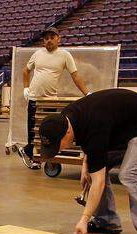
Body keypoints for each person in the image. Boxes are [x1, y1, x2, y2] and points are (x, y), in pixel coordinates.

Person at [37, 88, 137, 234]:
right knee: (95, 171)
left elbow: (99, 180)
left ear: (67, 133)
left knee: (131, 175)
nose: (58, 150)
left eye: (57, 145)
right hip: (129, 129)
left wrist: (84, 218)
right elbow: (90, 139)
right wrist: (86, 165)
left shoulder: (92, 124)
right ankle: (106, 220)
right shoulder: (66, 117)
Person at [19, 27, 89, 170]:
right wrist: (26, 88)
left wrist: (87, 94)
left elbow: (75, 75)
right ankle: (32, 155)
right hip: (34, 98)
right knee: (33, 130)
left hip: (51, 99)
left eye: (52, 37)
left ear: (58, 38)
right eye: (46, 38)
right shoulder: (37, 54)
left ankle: (46, 155)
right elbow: (25, 71)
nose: (49, 40)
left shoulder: (64, 55)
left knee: (48, 130)